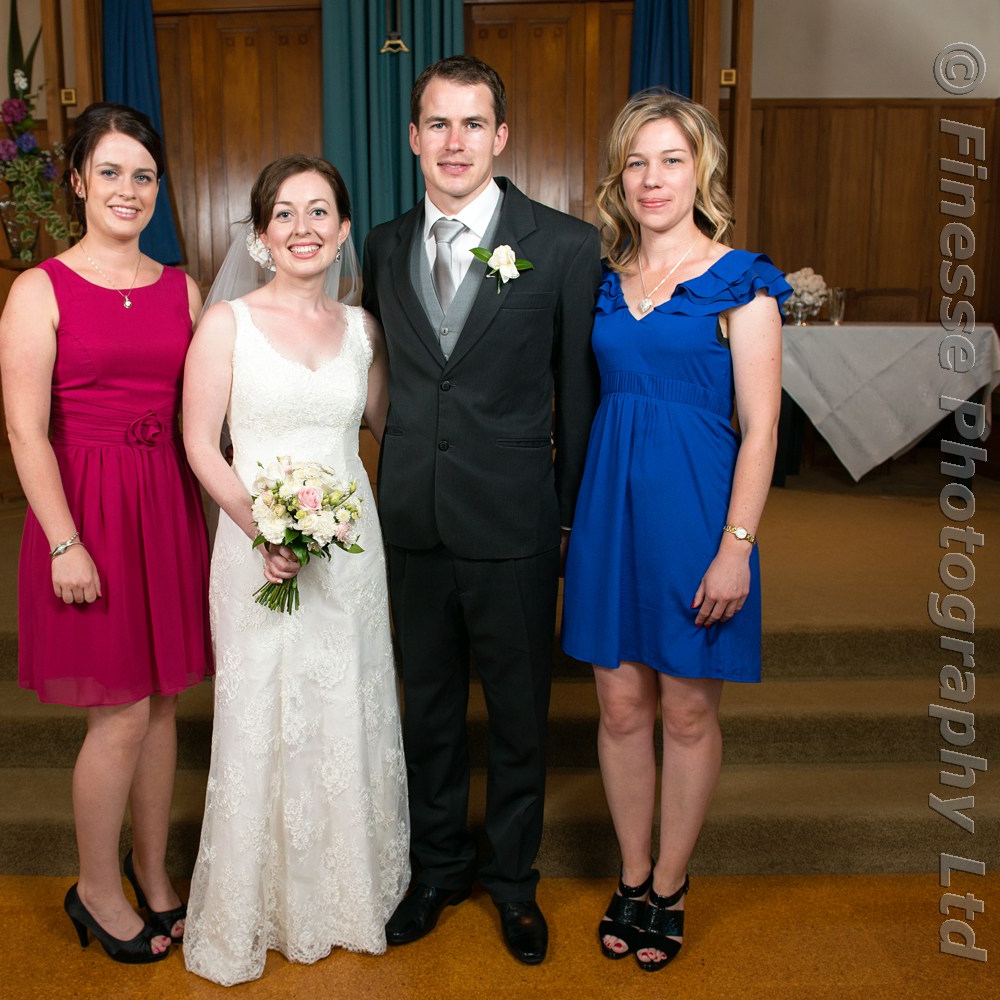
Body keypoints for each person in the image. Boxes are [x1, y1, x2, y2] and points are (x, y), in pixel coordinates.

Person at [361, 56, 603, 966]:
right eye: (438, 124)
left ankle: (511, 881)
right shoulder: (383, 245)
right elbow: (385, 377)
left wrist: (570, 524)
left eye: (473, 124)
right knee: (427, 710)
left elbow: (578, 399)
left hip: (515, 524)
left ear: (501, 136)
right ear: (413, 137)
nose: (454, 142)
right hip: (413, 520)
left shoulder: (565, 245)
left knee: (517, 714)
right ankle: (436, 870)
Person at [561, 89, 789, 973]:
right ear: (620, 178)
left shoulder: (744, 283)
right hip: (609, 515)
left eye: (671, 160)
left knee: (688, 711)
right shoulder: (602, 284)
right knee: (621, 708)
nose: (653, 178)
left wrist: (737, 547)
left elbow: (761, 431)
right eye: (637, 162)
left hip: (698, 517)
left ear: (702, 171)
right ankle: (631, 875)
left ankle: (671, 883)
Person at [180, 155, 409, 986]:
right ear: (260, 234)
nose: (302, 227)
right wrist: (260, 528)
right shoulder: (226, 325)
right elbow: (201, 444)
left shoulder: (364, 331)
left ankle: (347, 894)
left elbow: (391, 428)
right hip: (254, 548)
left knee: (346, 700)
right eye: (284, 213)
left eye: (319, 212)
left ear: (343, 231)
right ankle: (258, 902)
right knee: (263, 708)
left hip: (351, 550)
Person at [0, 102, 211, 964]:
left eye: (144, 175)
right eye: (112, 172)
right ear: (79, 181)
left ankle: (152, 874)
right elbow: (24, 431)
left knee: (161, 705)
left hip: (164, 505)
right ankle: (94, 888)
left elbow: (206, 413)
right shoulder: (39, 290)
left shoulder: (181, 289)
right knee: (118, 715)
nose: (130, 189)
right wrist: (64, 541)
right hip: (86, 513)